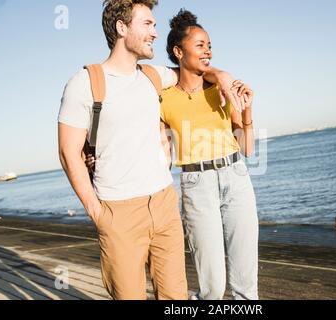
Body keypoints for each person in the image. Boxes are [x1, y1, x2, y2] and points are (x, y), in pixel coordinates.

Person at [58, 0, 244, 300]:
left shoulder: (153, 76)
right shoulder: (85, 83)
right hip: (118, 211)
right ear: (121, 28)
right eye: (147, 24)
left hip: (164, 205)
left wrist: (221, 75)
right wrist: (98, 213)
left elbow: (192, 68)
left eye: (155, 25)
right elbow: (69, 154)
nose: (155, 33)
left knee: (176, 300)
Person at [160, 9, 259, 300]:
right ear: (179, 51)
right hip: (196, 185)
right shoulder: (164, 99)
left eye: (210, 46)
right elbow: (161, 153)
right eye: (200, 45)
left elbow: (248, 148)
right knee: (213, 287)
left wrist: (247, 109)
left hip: (236, 176)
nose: (208, 52)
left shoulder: (221, 89)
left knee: (245, 285)